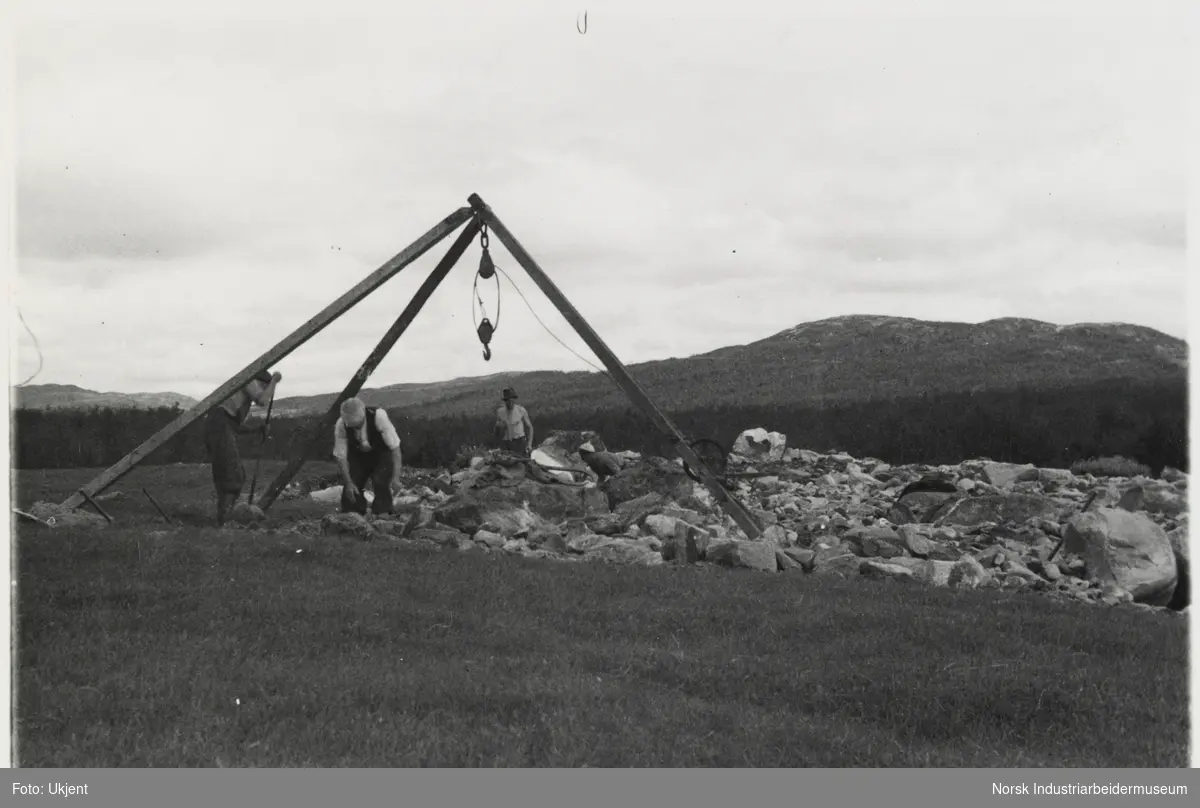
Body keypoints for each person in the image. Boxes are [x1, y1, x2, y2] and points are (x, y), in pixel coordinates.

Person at [205, 368, 281, 526]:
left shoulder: (238, 400)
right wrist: (274, 382)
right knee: (233, 476)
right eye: (264, 387)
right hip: (219, 426)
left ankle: (224, 519)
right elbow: (262, 401)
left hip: (218, 425)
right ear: (261, 383)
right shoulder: (249, 380)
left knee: (231, 476)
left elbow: (236, 427)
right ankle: (224, 522)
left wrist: (257, 428)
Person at [333, 397, 403, 516]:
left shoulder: (379, 417)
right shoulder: (341, 424)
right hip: (358, 456)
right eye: (352, 426)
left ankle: (383, 514)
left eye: (358, 425)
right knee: (352, 486)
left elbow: (395, 449)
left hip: (381, 454)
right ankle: (353, 516)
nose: (355, 428)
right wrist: (349, 482)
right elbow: (341, 456)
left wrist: (396, 478)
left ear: (363, 415)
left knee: (380, 481)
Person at [494, 386, 533, 455]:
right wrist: (499, 427)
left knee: (521, 464)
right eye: (508, 401)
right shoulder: (500, 412)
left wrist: (529, 444)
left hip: (520, 442)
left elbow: (530, 427)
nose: (510, 403)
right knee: (505, 464)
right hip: (506, 443)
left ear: (514, 400)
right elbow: (496, 431)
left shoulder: (521, 410)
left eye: (512, 400)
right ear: (505, 401)